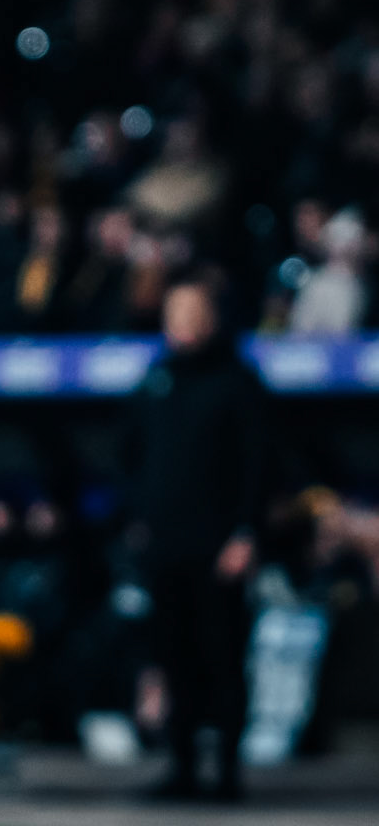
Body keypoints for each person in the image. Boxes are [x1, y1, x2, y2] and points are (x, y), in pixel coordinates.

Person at [123, 277, 267, 799]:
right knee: (173, 658)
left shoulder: (237, 381)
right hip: (165, 546)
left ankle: (227, 772)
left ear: (211, 317)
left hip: (218, 548)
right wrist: (138, 517)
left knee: (223, 658)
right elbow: (132, 455)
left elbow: (257, 466)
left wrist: (246, 535)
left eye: (189, 311)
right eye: (172, 310)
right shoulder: (157, 378)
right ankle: (182, 766)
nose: (178, 320)